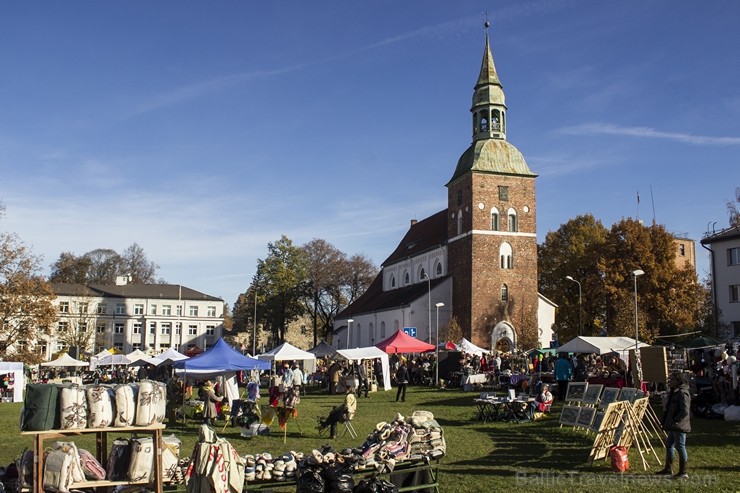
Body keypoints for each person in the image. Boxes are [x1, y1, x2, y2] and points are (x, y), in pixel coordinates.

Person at [656, 371, 691, 479]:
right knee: (669, 443)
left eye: (672, 380)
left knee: (680, 446)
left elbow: (685, 410)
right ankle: (668, 468)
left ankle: (683, 471)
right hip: (673, 424)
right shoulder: (674, 391)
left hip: (679, 424)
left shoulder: (682, 392)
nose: (670, 382)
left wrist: (676, 420)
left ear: (678, 381)